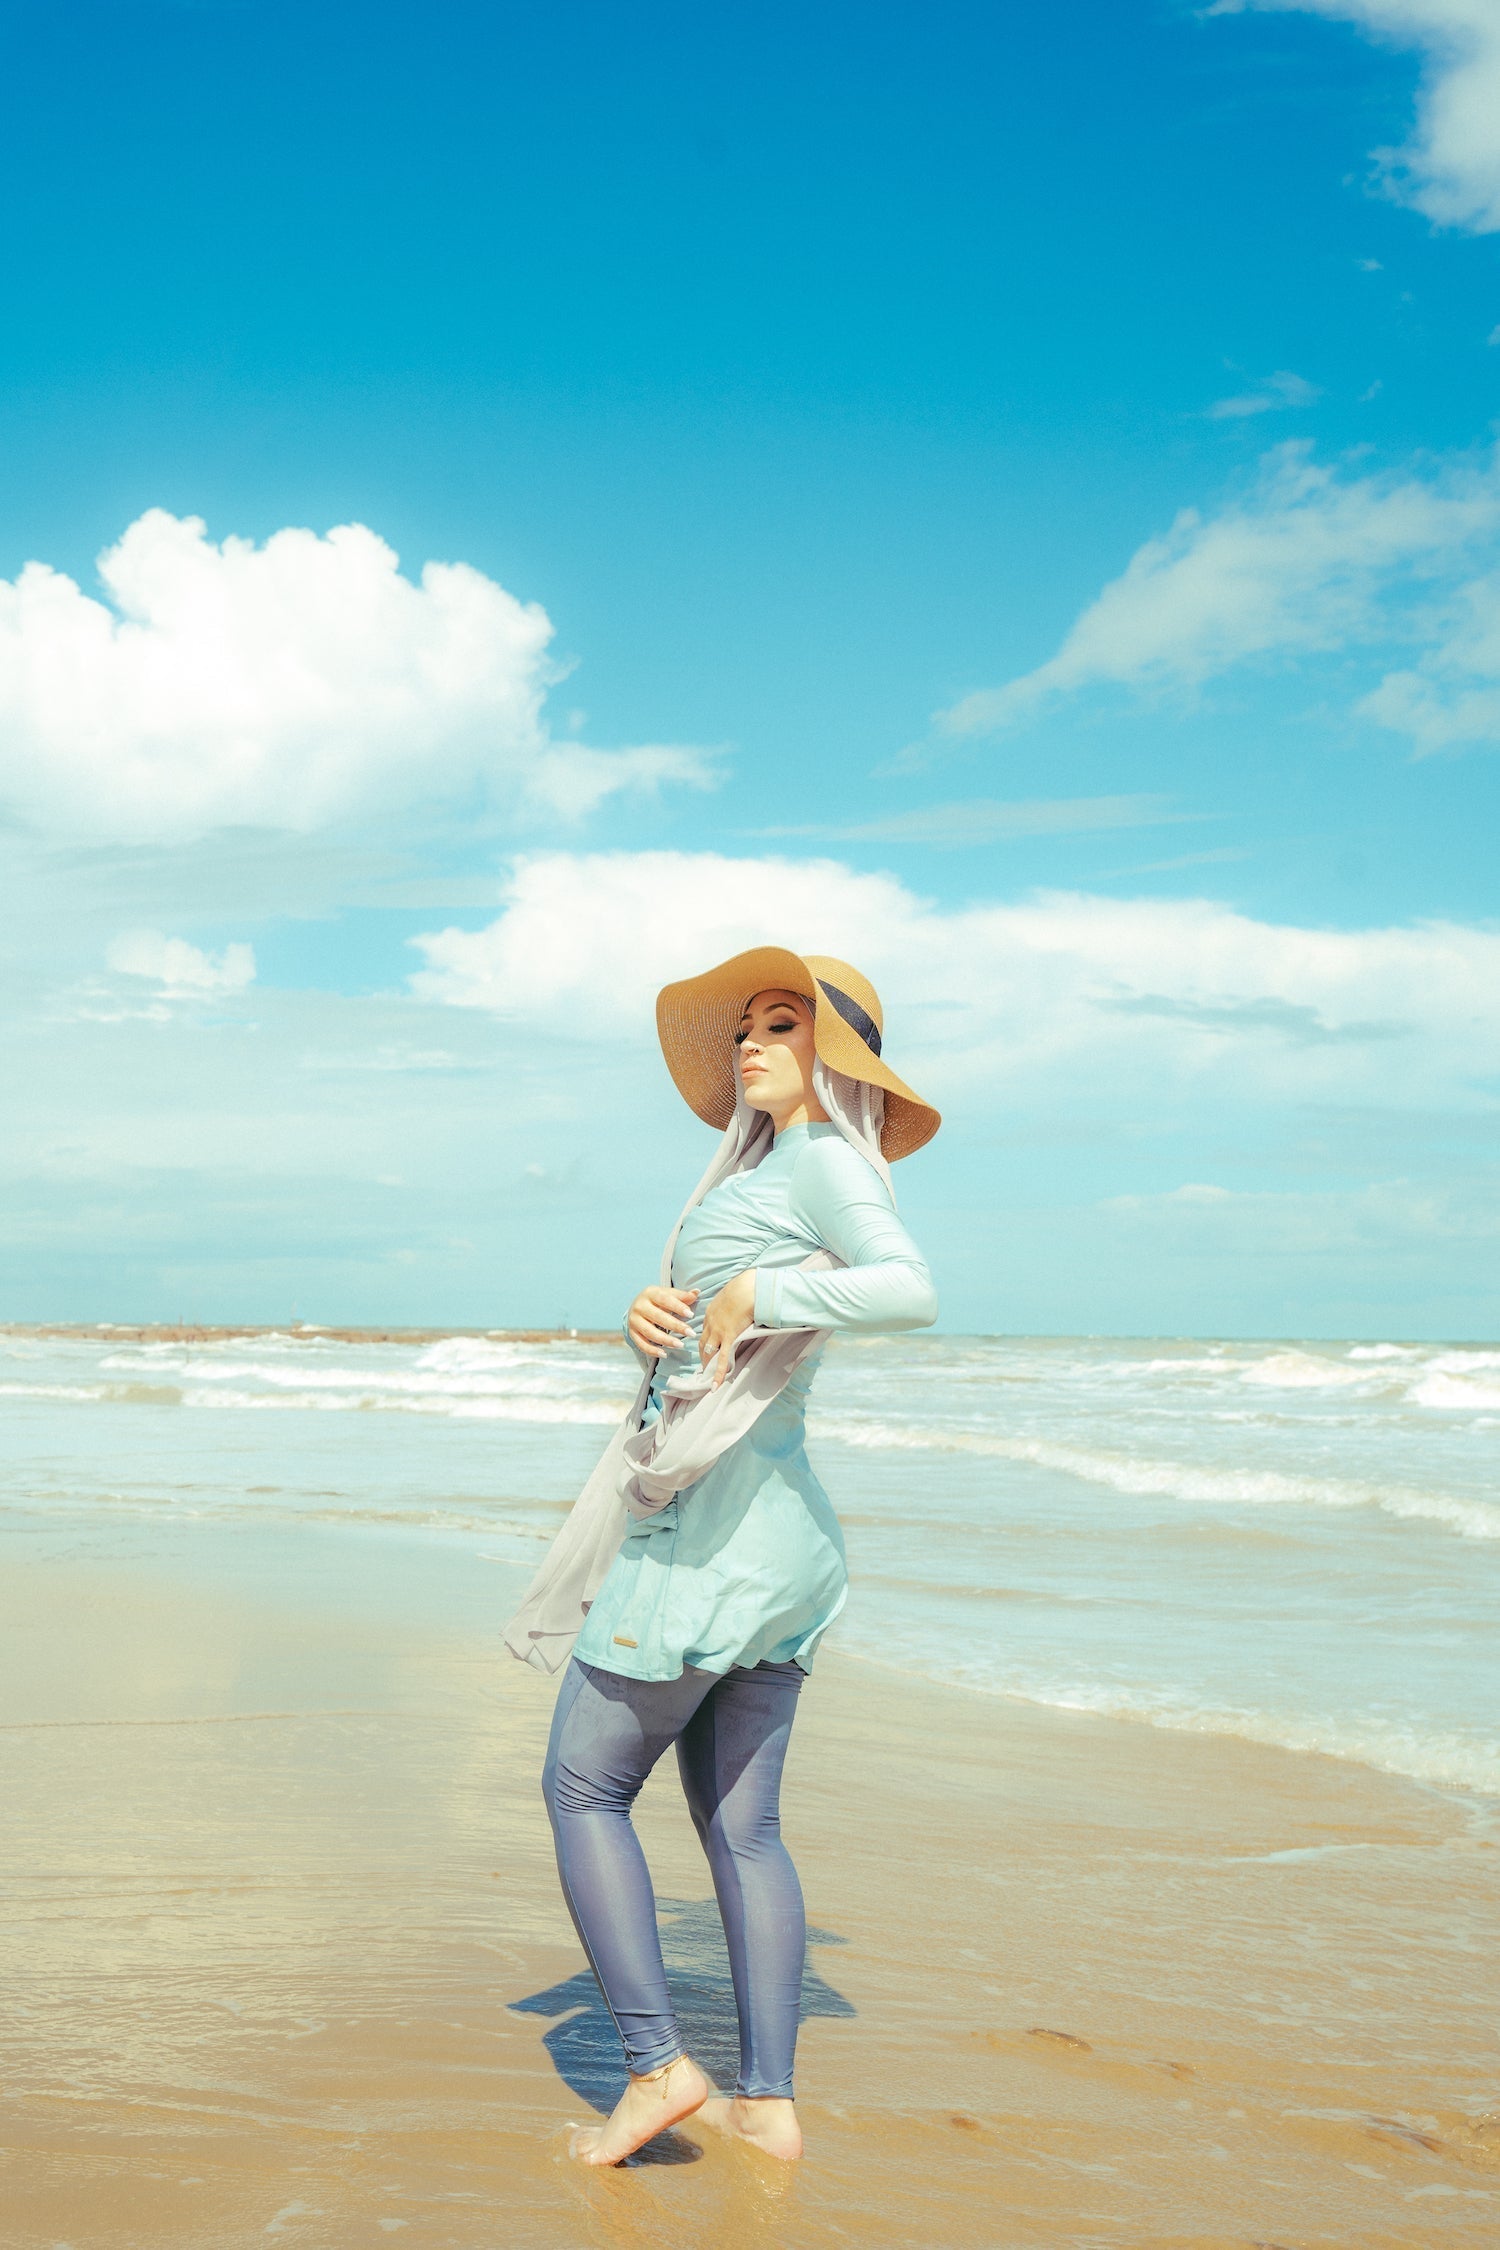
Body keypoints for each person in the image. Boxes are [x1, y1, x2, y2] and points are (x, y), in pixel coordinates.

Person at [536, 948, 940, 2165]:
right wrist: (653, 1313)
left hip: (709, 1543)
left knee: (581, 1788)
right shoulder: (772, 1168)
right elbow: (703, 1348)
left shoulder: (820, 1160)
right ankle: (765, 2101)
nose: (750, 1046)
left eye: (783, 1026)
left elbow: (910, 1288)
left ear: (838, 1060)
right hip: (781, 1545)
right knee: (742, 1831)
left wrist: (763, 1289)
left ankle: (657, 2068)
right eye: (748, 1029)